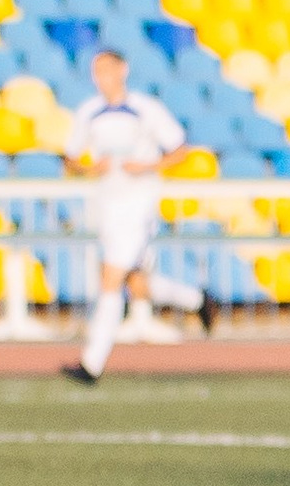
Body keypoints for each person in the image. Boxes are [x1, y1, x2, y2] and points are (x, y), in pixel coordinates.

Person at [60, 50, 210, 384]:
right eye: (96, 71)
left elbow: (180, 149)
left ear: (123, 70)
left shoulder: (146, 109)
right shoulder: (89, 112)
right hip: (106, 204)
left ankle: (91, 363)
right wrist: (89, 168)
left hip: (138, 205)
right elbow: (69, 159)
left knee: (111, 278)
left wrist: (147, 166)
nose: (102, 77)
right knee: (136, 283)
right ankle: (197, 300)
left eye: (107, 69)